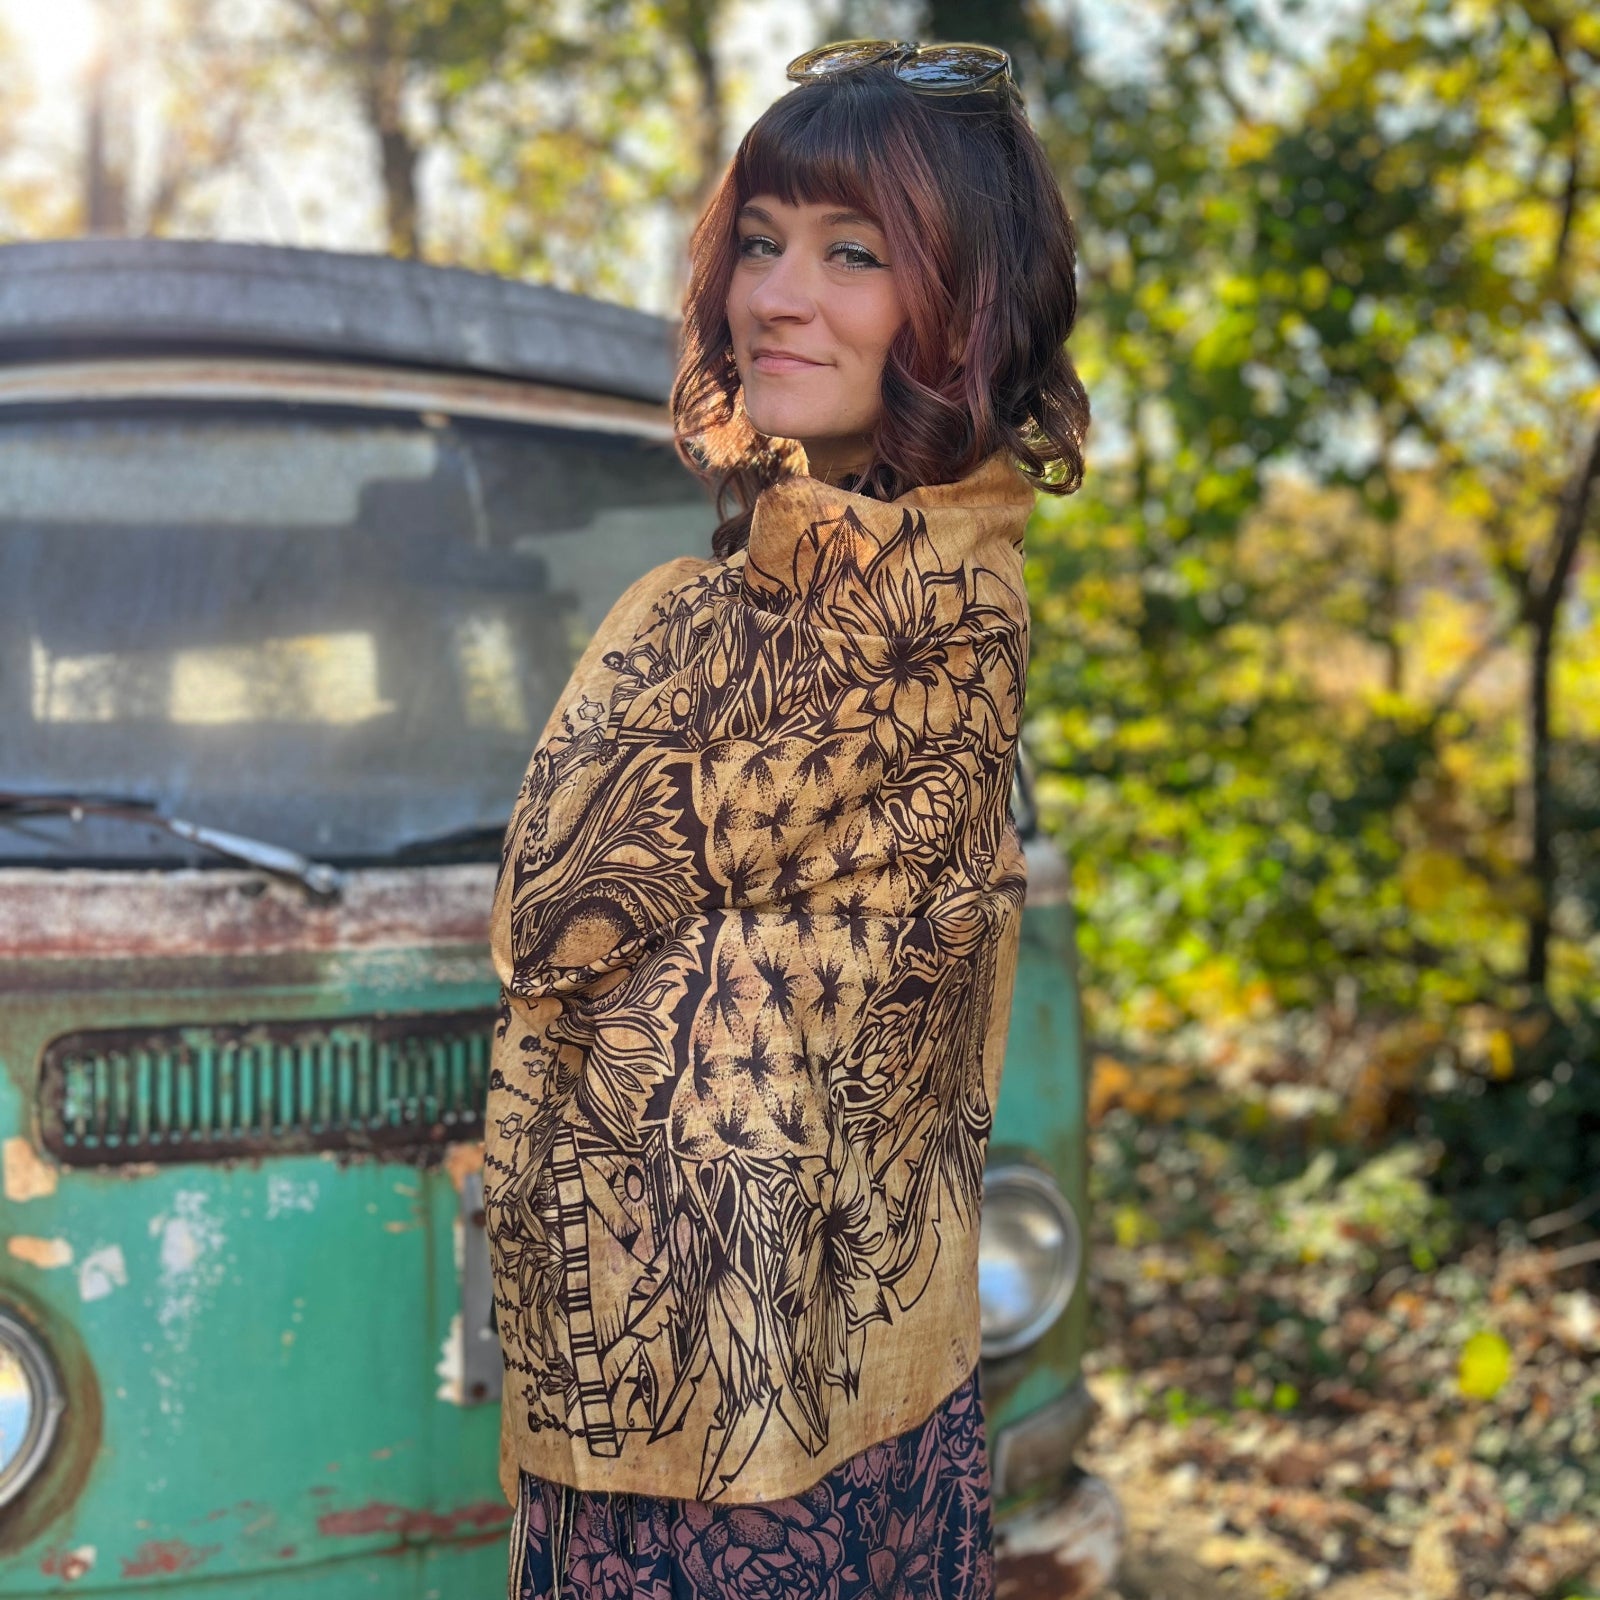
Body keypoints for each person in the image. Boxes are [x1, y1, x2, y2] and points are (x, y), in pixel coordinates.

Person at [485, 36, 1090, 1600]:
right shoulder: (800, 587)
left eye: (853, 255)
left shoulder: (909, 608)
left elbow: (555, 908)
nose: (775, 295)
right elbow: (581, 910)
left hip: (759, 1432)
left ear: (957, 306)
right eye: (758, 243)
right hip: (749, 1380)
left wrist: (671, 631)